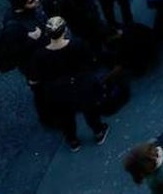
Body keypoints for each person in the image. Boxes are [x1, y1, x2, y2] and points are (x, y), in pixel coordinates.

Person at [26, 16, 109, 152]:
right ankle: (98, 132)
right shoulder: (78, 44)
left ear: (47, 33)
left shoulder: (40, 55)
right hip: (81, 86)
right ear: (64, 31)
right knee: (90, 111)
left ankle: (73, 140)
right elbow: (91, 62)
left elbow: (34, 78)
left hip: (57, 91)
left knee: (65, 117)